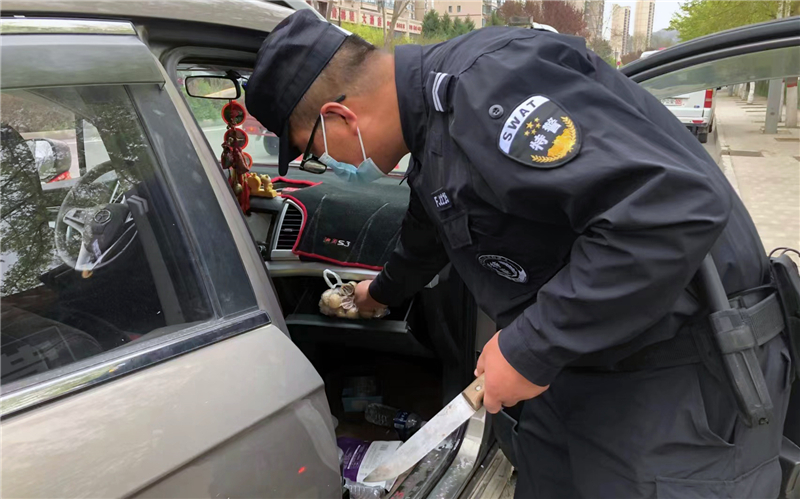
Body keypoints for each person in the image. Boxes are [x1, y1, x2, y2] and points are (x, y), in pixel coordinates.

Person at [245, 10, 792, 498]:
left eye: (314, 150)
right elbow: (433, 221)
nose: (329, 165)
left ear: (340, 117)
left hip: (677, 382)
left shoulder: (491, 88)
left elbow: (670, 209)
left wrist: (533, 345)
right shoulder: (433, 121)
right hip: (582, 368)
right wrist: (379, 293)